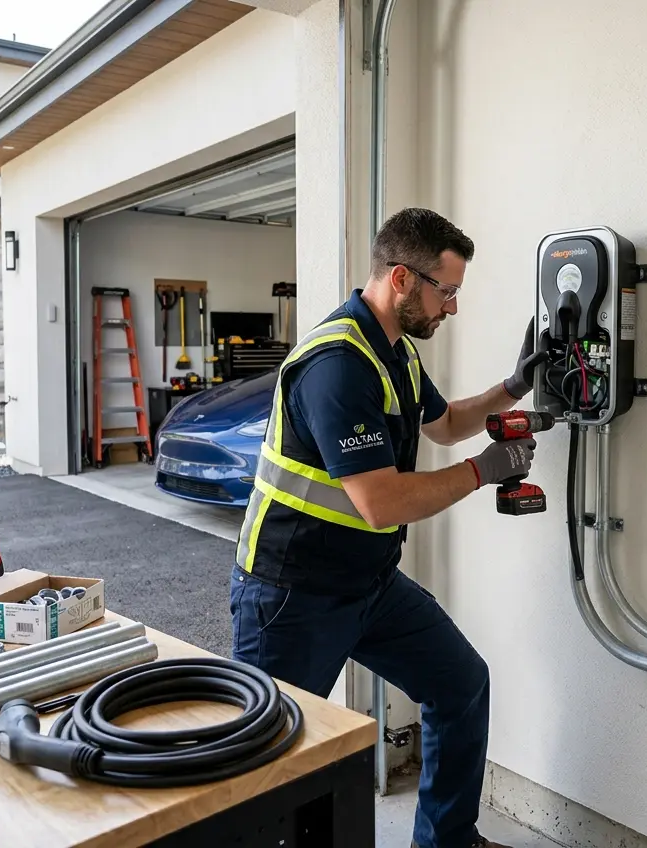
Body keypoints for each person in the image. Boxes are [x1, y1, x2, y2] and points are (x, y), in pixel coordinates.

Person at [230, 206, 545, 848]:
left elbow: (446, 422)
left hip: (366, 583)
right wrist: (485, 472)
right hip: (292, 594)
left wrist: (515, 385)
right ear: (402, 279)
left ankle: (447, 841)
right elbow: (381, 502)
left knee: (461, 684)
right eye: (447, 290)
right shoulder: (337, 364)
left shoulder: (393, 351)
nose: (452, 308)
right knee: (265, 762)